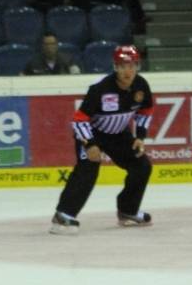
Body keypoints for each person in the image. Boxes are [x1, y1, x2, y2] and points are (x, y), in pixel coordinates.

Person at [50, 43, 153, 234]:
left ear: (137, 66)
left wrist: (140, 136)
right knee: (88, 169)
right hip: (92, 133)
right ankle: (63, 215)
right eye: (123, 66)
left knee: (142, 166)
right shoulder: (101, 88)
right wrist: (90, 144)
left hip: (119, 134)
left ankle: (128, 210)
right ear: (115, 67)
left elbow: (146, 110)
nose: (128, 71)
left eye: (132, 66)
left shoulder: (141, 86)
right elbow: (79, 119)